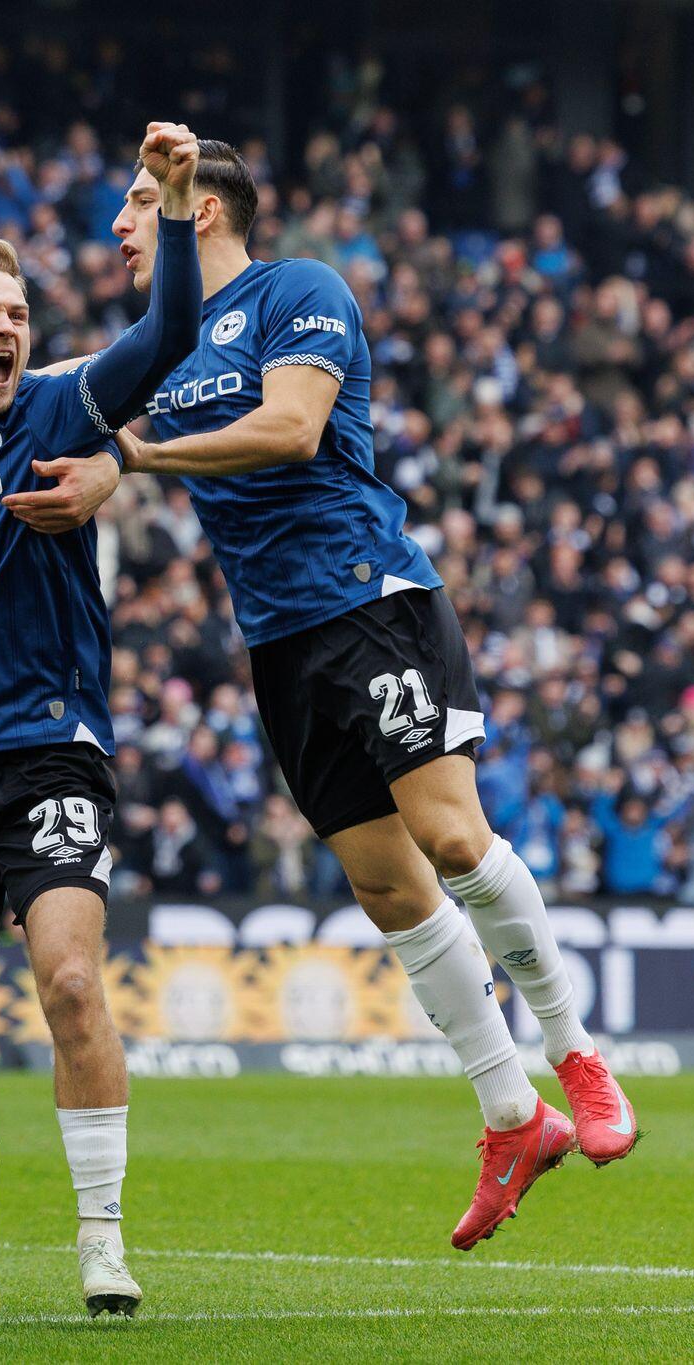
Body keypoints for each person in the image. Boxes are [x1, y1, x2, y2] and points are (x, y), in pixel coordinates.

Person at [107, 141, 634, 1250]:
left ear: (203, 210)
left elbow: (293, 428)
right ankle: (511, 1115)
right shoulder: (154, 343)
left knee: (452, 839)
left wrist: (140, 458)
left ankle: (578, 1055)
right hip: (277, 641)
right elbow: (47, 387)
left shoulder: (296, 289)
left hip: (365, 599)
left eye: (141, 204)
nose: (120, 226)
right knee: (386, 886)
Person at [0, 121, 200, 1324]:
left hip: (45, 751)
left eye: (16, 311)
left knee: (66, 978)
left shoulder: (59, 408)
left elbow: (168, 334)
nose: (5, 326)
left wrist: (173, 206)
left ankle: (101, 1243)